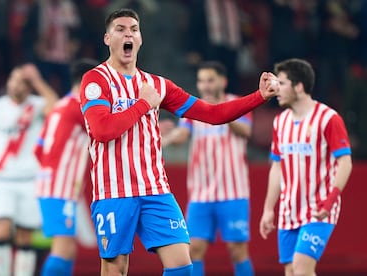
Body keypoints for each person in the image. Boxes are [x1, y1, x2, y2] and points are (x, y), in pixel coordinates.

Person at [79, 8, 278, 276]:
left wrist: (259, 96)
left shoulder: (158, 85)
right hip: (114, 191)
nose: (128, 34)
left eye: (133, 30)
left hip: (155, 189)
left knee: (182, 265)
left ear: (140, 39)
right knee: (115, 269)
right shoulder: (96, 80)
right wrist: (143, 104)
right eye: (120, 29)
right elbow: (102, 130)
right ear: (107, 38)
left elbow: (212, 113)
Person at [259, 58, 353, 276]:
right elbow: (277, 167)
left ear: (299, 86)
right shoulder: (280, 122)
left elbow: (345, 162)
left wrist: (331, 200)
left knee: (302, 268)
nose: (275, 89)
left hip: (319, 208)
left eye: (281, 83)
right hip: (288, 210)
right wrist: (267, 209)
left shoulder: (328, 118)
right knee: (291, 271)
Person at [161, 61, 254, 276]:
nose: (205, 86)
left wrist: (222, 113)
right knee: (193, 250)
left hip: (233, 192)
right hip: (201, 194)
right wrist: (165, 140)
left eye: (210, 80)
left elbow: (246, 132)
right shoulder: (196, 108)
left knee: (237, 250)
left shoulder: (237, 104)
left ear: (223, 81)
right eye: (201, 81)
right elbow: (182, 134)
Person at [0, 63, 58, 276]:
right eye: (13, 79)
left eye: (22, 81)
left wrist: (37, 81)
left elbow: (56, 109)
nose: (16, 85)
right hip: (2, 179)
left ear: (29, 87)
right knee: (1, 229)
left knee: (25, 235)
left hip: (30, 179)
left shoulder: (37, 105)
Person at [34, 58, 98, 276]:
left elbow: (38, 147)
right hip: (59, 188)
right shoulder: (80, 109)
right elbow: (108, 131)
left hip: (54, 186)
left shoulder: (60, 106)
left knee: (68, 250)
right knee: (62, 250)